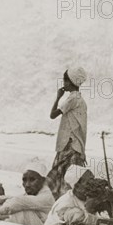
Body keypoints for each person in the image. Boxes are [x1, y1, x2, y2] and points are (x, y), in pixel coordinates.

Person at [47, 67, 88, 199]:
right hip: (74, 144)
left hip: (70, 144)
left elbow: (52, 115)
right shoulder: (79, 99)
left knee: (62, 178)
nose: (63, 84)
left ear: (70, 82)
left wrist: (58, 97)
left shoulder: (72, 99)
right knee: (69, 177)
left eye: (65, 81)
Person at [0, 160, 56, 225]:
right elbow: (18, 199)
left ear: (43, 180)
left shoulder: (46, 197)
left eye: (32, 180)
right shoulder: (32, 193)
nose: (27, 185)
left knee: (22, 213)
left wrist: (0, 208)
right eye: (24, 180)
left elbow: (18, 201)